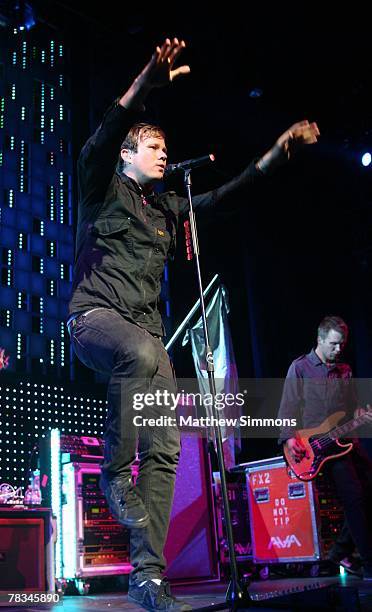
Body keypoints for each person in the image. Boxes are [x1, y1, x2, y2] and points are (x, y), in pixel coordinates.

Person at [67, 37, 319, 611]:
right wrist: (142, 86)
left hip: (147, 342)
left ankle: (148, 578)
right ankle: (112, 473)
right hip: (96, 323)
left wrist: (275, 156)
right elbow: (102, 137)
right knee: (146, 357)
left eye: (163, 147)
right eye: (152, 146)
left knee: (168, 445)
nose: (162, 154)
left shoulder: (166, 210)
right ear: (129, 154)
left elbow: (227, 196)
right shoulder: (99, 189)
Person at [278, 315, 372, 580]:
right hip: (317, 447)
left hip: (345, 442)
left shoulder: (345, 371)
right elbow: (286, 409)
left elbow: (352, 409)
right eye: (333, 344)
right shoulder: (300, 368)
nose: (338, 349)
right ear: (320, 340)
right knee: (353, 498)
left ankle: (339, 551)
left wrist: (362, 415)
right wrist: (289, 439)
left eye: (342, 344)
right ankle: (368, 563)